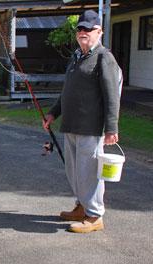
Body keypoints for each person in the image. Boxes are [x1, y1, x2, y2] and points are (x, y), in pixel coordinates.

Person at [43, 10, 122, 233]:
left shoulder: (104, 58)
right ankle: (81, 206)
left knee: (89, 172)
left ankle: (94, 215)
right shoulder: (77, 56)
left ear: (99, 31)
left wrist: (111, 127)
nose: (83, 32)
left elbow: (112, 95)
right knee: (75, 171)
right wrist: (53, 113)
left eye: (88, 29)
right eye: (80, 29)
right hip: (70, 125)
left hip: (91, 127)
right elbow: (68, 91)